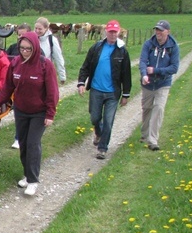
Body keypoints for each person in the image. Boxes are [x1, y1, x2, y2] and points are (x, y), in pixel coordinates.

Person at [0, 31, 59, 196]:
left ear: (35, 48)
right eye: (21, 48)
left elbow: (53, 91)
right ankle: (27, 173)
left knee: (32, 143)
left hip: (39, 111)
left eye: (28, 49)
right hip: (21, 110)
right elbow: (8, 85)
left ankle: (33, 181)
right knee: (23, 144)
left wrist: (50, 114)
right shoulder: (15, 63)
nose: (24, 52)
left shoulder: (45, 65)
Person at [77, 20, 132, 160]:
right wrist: (81, 82)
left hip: (112, 92)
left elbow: (126, 74)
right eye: (110, 31)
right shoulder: (96, 48)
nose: (113, 34)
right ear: (106, 32)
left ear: (118, 32)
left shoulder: (122, 51)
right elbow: (86, 66)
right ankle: (98, 132)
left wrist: (126, 94)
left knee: (108, 120)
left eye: (115, 32)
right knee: (95, 117)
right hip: (96, 89)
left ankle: (102, 148)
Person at [139, 20, 180, 151]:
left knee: (159, 108)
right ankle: (144, 134)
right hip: (148, 83)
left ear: (168, 32)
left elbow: (174, 68)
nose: (158, 33)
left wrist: (156, 71)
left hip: (163, 83)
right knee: (147, 108)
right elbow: (142, 61)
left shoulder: (173, 47)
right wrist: (144, 74)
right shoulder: (148, 44)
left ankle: (153, 140)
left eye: (161, 30)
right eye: (156, 30)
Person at [5, 23, 32, 149]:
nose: (20, 37)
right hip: (15, 85)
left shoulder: (37, 51)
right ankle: (19, 137)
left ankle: (20, 138)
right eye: (19, 35)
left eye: (23, 35)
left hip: (30, 88)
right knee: (18, 111)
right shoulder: (12, 48)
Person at [34, 17, 66, 84]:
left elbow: (58, 58)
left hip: (46, 73)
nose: (37, 31)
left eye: (40, 29)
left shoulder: (52, 40)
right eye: (36, 28)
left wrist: (62, 76)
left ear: (46, 28)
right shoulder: (31, 39)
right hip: (32, 73)